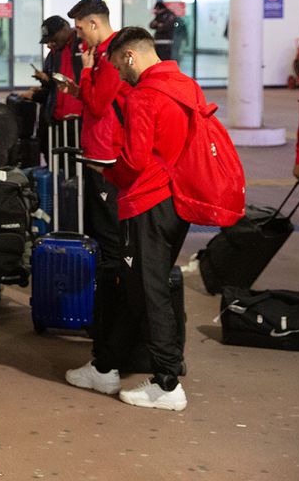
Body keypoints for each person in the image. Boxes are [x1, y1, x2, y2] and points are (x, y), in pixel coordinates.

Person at [89, 26, 197, 411]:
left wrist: (107, 173)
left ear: (130, 56)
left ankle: (167, 383)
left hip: (146, 203)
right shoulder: (187, 85)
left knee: (148, 293)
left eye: (119, 65)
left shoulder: (143, 97)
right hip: (177, 201)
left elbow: (133, 161)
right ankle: (104, 366)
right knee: (135, 285)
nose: (119, 74)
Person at [59, 0, 130, 396]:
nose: (78, 35)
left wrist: (85, 75)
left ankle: (108, 350)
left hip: (106, 161)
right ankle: (108, 326)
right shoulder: (106, 54)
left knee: (112, 250)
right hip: (102, 156)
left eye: (80, 27)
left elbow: (100, 102)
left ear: (94, 23)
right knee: (114, 249)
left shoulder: (108, 56)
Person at [22, 16, 85, 156]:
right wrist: (45, 80)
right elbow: (54, 82)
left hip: (80, 117)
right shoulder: (53, 54)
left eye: (53, 39)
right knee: (56, 156)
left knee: (80, 160)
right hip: (56, 116)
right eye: (48, 41)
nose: (50, 43)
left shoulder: (83, 44)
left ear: (65, 29)